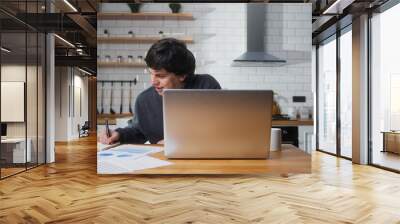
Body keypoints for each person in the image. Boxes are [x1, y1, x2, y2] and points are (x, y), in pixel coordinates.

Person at [98, 38, 221, 145]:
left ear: (182, 75)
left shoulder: (207, 86)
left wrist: (180, 141)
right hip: (163, 164)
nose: (153, 82)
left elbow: (221, 128)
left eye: (161, 76)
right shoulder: (144, 100)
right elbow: (139, 131)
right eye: (151, 74)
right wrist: (118, 134)